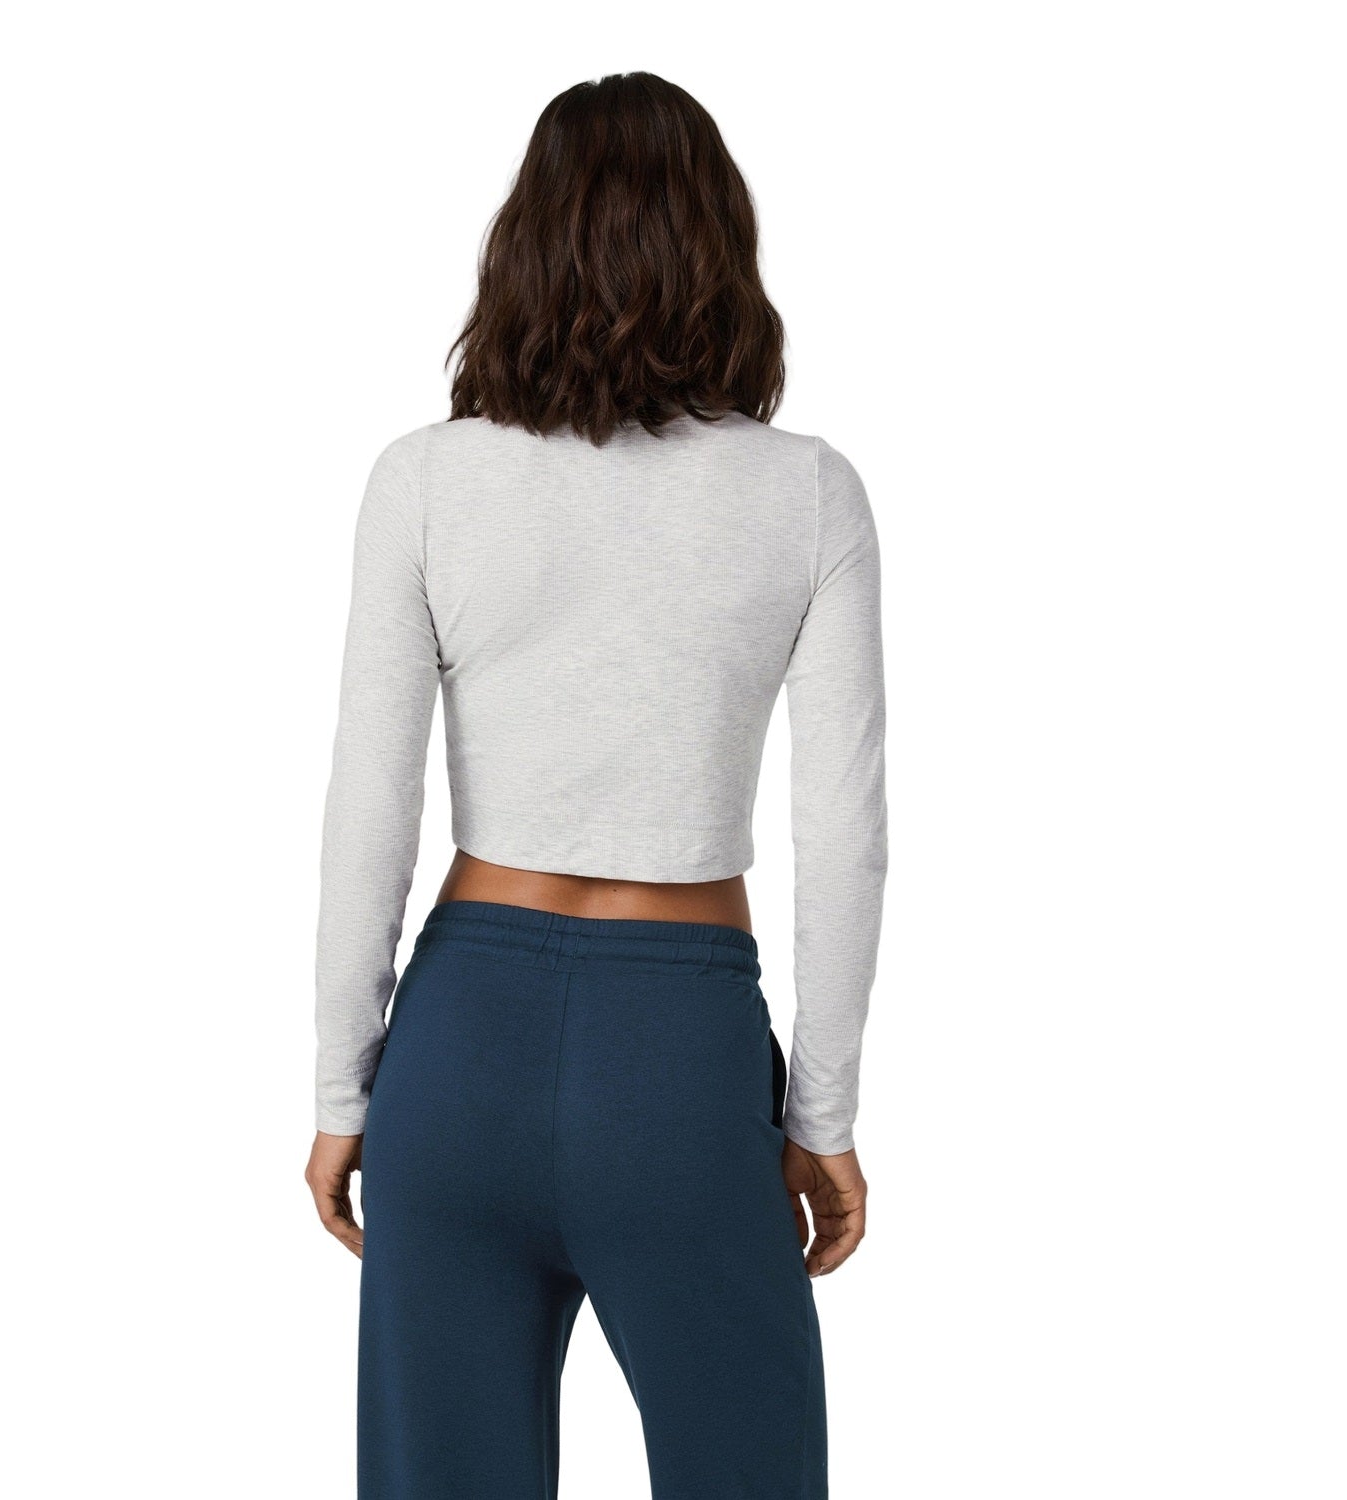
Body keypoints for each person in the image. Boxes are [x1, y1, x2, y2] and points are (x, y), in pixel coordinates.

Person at [304, 70, 888, 1500]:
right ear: (723, 246)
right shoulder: (807, 493)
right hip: (678, 1064)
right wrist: (820, 1120)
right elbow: (845, 837)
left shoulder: (424, 480)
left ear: (524, 245)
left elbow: (368, 809)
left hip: (458, 1053)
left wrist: (342, 1089)